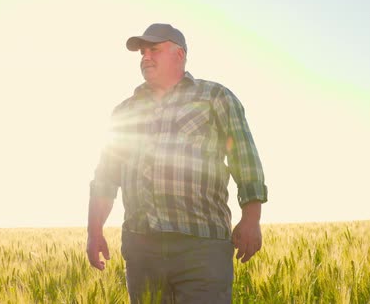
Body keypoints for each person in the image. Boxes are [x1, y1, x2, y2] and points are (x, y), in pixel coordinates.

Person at [86, 23, 268, 304]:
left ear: (179, 54)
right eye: (142, 53)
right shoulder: (124, 111)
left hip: (201, 246)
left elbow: (244, 157)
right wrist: (94, 230)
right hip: (141, 247)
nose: (146, 57)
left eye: (154, 50)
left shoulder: (215, 97)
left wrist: (251, 218)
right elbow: (105, 178)